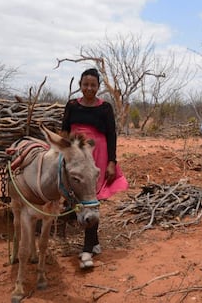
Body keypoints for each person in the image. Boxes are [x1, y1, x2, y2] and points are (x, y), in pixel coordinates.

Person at [61, 68, 128, 268]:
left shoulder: (105, 108)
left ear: (98, 87)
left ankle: (87, 250)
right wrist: (61, 156)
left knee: (92, 200)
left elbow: (111, 136)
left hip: (97, 156)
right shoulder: (72, 105)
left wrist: (111, 162)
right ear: (80, 85)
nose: (89, 88)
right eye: (85, 84)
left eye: (93, 85)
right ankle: (95, 242)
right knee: (74, 197)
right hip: (74, 156)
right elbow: (64, 130)